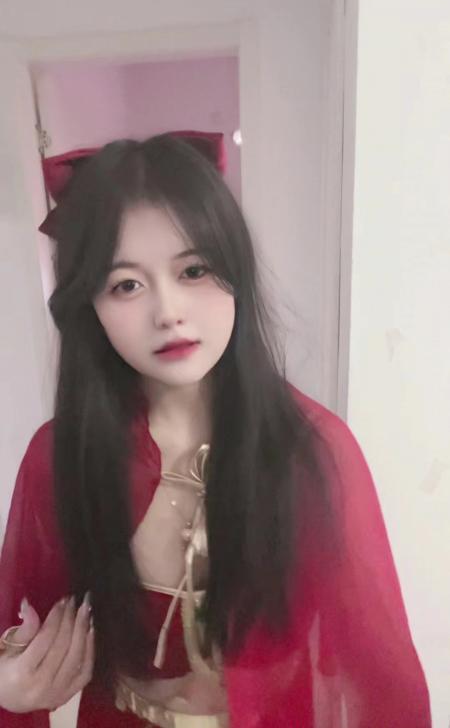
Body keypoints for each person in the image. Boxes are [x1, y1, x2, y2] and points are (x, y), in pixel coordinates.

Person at [0, 135, 431, 727]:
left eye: (194, 270)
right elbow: (18, 623)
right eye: (126, 284)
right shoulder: (60, 455)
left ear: (235, 271)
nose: (168, 311)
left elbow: (374, 673)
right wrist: (12, 685)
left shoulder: (313, 450)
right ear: (89, 306)